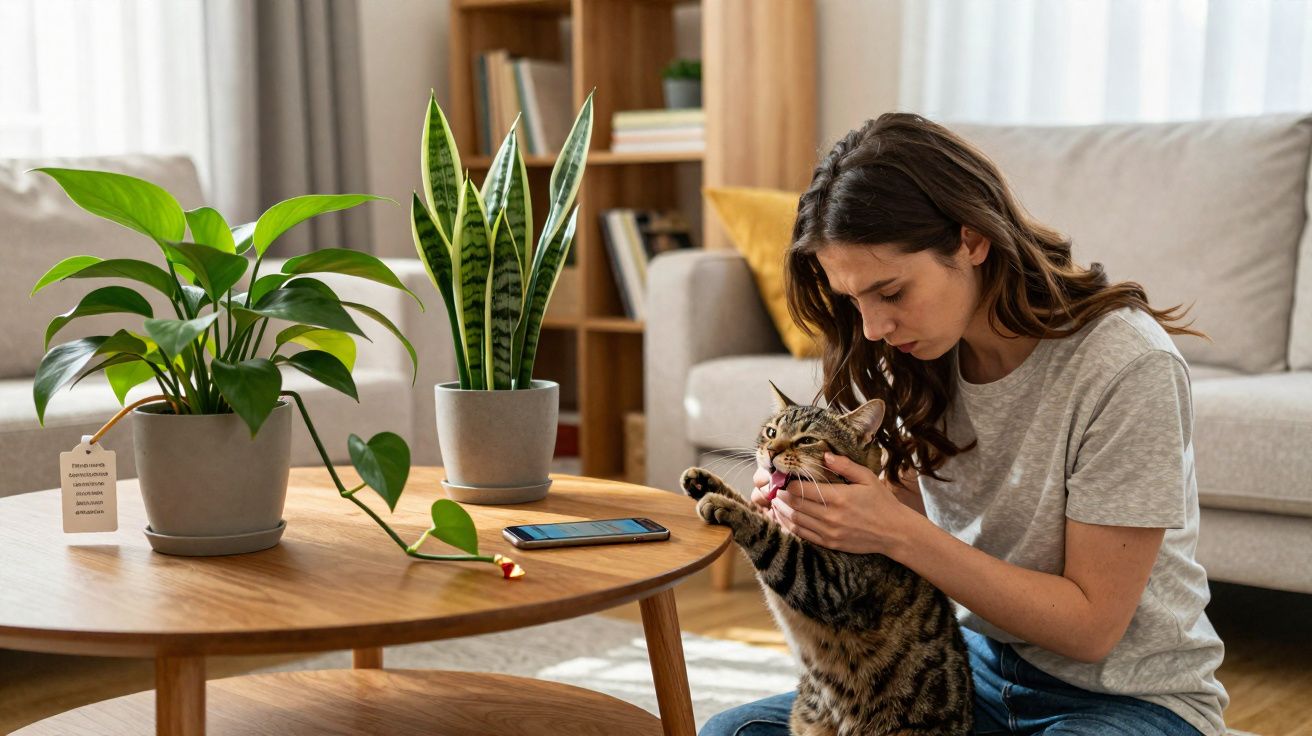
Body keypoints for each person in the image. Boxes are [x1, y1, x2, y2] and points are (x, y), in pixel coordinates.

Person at [699, 113, 1228, 736]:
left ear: (971, 241)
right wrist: (816, 498)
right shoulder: (918, 349)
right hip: (960, 667)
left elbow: (1091, 629)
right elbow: (932, 507)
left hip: (1123, 699)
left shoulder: (1127, 365)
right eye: (854, 301)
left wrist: (895, 532)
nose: (872, 328)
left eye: (890, 292)